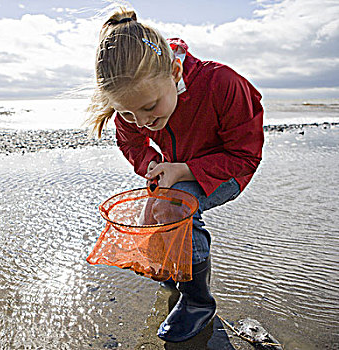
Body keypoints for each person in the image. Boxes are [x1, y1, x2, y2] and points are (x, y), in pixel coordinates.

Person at [87, 8, 264, 343]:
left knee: (178, 208)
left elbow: (245, 153)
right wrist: (152, 166)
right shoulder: (134, 99)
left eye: (150, 108)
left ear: (175, 70)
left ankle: (198, 302)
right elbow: (131, 140)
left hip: (229, 167)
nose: (140, 121)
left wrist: (185, 169)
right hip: (178, 165)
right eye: (127, 112)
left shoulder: (222, 84)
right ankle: (178, 278)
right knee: (153, 213)